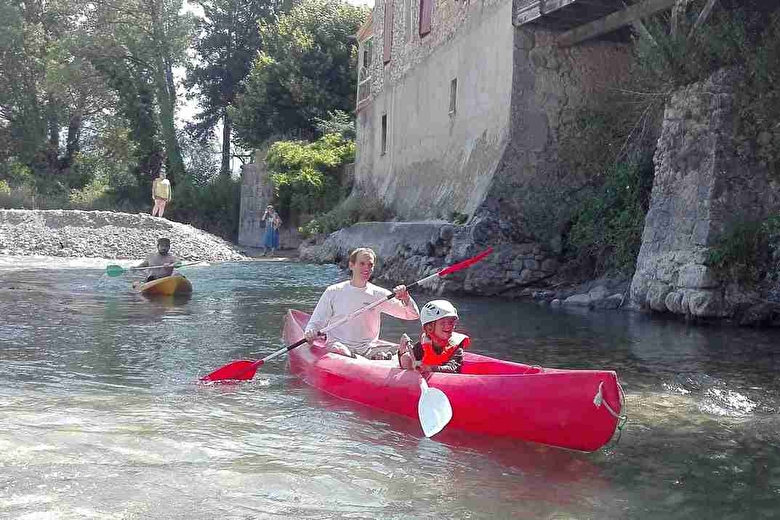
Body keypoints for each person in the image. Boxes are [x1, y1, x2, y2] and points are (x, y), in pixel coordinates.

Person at [303, 247, 420, 359]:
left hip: (368, 348)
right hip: (338, 345)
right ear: (351, 265)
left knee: (408, 350)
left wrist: (406, 298)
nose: (367, 268)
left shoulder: (379, 294)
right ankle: (361, 359)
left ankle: (375, 358)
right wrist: (310, 334)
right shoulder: (333, 291)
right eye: (362, 264)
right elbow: (316, 322)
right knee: (340, 350)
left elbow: (412, 315)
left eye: (370, 265)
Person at [397, 300, 469, 373]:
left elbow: (453, 368)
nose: (448, 326)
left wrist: (428, 369)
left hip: (447, 381)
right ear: (429, 327)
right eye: (443, 323)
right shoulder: (422, 345)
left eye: (451, 322)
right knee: (406, 358)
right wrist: (402, 351)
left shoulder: (456, 345)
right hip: (428, 379)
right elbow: (407, 364)